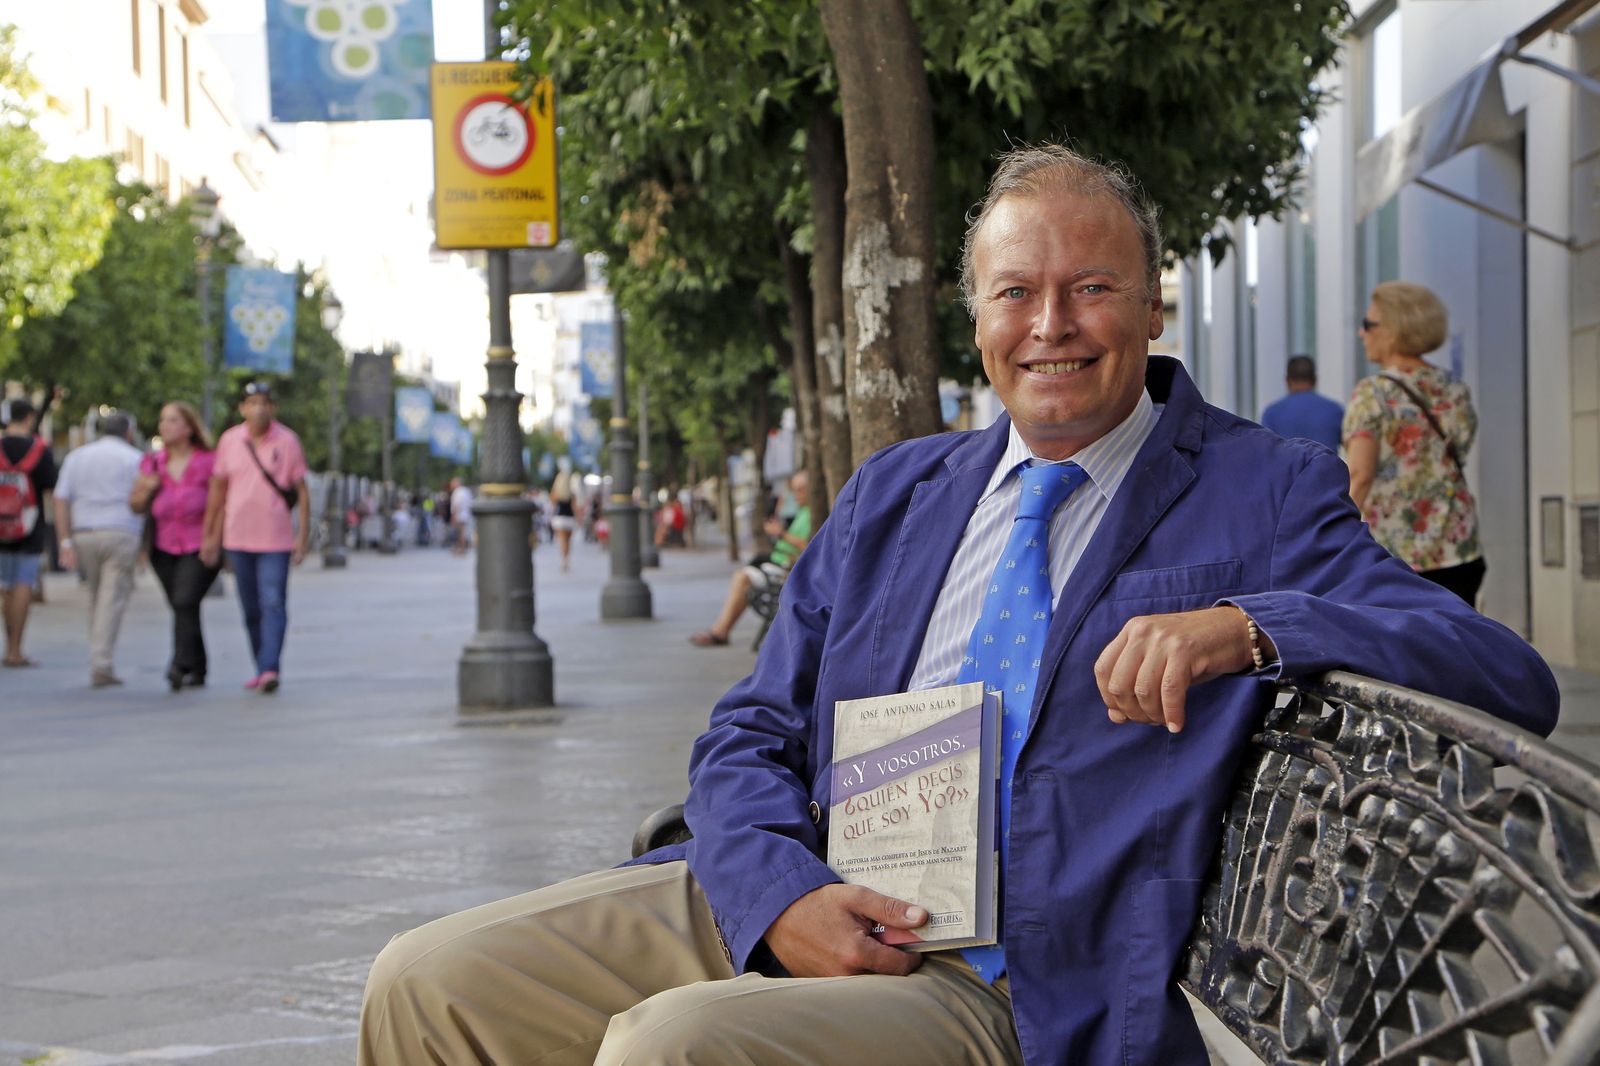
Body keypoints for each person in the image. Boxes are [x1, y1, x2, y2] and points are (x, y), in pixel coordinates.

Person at [358, 145, 1558, 1066]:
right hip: (804, 884)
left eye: (1091, 288)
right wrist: (781, 898)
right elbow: (749, 729)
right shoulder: (897, 492)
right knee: (425, 978)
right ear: (975, 316)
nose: (1051, 325)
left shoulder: (1261, 487)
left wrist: (1251, 626)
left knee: (673, 1049)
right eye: (1015, 292)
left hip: (1009, 963)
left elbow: (1502, 670)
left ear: (1151, 307)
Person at [1343, 281, 1485, 605]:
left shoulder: (1373, 393)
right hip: (1459, 548)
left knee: (1403, 653)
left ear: (1393, 329)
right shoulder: (1454, 388)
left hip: (1397, 556)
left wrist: (1330, 538)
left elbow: (1359, 476)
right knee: (1455, 648)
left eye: (1368, 324)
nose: (1361, 333)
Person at [201, 382, 310, 694]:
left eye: (264, 402)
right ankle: (261, 664)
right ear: (242, 408)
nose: (258, 408)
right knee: (251, 608)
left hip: (275, 540)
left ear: (273, 408)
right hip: (238, 537)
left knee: (273, 602)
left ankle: (270, 667)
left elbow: (302, 492)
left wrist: (301, 537)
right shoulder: (229, 441)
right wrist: (210, 535)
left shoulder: (287, 441)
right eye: (252, 402)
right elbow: (218, 490)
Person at [130, 402, 220, 691]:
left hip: (200, 543)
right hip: (163, 545)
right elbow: (134, 505)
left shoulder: (209, 461)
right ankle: (199, 667)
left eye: (172, 420)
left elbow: (220, 504)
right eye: (162, 420)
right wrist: (148, 488)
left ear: (188, 427)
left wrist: (214, 539)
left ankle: (179, 664)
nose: (164, 426)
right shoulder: (152, 463)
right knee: (183, 606)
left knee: (184, 601)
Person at [53, 410, 144, 688]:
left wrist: (64, 540)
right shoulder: (135, 458)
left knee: (97, 596)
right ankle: (101, 662)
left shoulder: (77, 456)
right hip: (121, 531)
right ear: (128, 432)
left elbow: (60, 499)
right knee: (111, 599)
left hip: (84, 533)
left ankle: (99, 656)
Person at [689, 469, 812, 647]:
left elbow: (807, 547)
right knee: (743, 574)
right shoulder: (801, 512)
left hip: (786, 569)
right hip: (778, 564)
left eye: (801, 489)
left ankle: (720, 631)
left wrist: (781, 534)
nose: (796, 494)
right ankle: (719, 630)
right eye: (794, 489)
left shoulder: (812, 514)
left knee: (742, 577)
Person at [0, 398, 57, 669]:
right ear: (30, 417)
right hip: (30, 525)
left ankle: (7, 645)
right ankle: (15, 649)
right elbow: (50, 488)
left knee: (5, 586)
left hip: (1, 527)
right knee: (23, 584)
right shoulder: (40, 450)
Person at [1259, 354, 1344, 451]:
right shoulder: (1335, 411)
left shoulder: (1271, 414)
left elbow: (1265, 453)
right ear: (1315, 380)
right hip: (1326, 466)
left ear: (1287, 380)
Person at [549, 465, 577, 571]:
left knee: (562, 540)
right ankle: (567, 558)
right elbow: (575, 507)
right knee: (568, 540)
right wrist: (578, 519)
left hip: (560, 518)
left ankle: (563, 559)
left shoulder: (556, 492)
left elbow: (552, 502)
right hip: (570, 518)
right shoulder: (571, 492)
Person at [448, 478, 473, 555]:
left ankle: (461, 548)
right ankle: (461, 547)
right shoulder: (466, 491)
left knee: (460, 533)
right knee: (463, 532)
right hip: (467, 514)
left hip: (460, 515)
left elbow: (456, 505)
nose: (451, 485)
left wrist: (453, 516)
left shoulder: (457, 492)